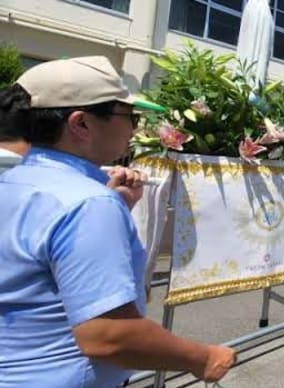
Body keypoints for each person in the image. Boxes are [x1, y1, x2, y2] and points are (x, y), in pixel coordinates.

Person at [0, 57, 235, 387]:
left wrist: (116, 206)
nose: (136, 128)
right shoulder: (88, 203)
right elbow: (108, 335)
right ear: (81, 124)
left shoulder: (18, 182)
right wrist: (202, 357)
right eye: (130, 116)